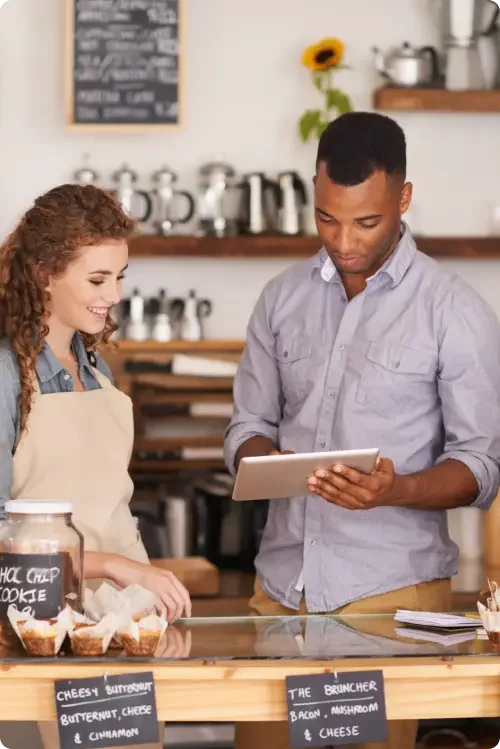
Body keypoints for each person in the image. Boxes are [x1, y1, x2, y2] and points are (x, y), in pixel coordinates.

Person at [224, 111, 500, 749]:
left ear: (403, 199)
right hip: (279, 597)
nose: (344, 240)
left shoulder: (454, 310)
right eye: (327, 218)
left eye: (366, 222)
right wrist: (270, 461)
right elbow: (247, 427)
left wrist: (394, 490)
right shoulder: (280, 298)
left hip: (388, 602)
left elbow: (482, 466)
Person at [0, 183, 191, 749]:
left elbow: (112, 508)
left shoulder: (97, 374)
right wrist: (117, 568)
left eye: (120, 276)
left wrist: (145, 592)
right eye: (97, 279)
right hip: (42, 629)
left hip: (124, 624)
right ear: (43, 274)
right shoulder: (9, 377)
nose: (113, 295)